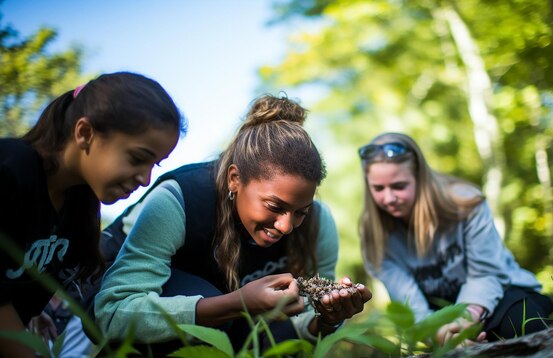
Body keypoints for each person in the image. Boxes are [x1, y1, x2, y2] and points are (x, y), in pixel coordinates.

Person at [94, 94, 372, 355]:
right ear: (234, 179)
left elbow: (298, 328)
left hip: (235, 322)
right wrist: (235, 304)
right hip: (112, 297)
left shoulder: (318, 225)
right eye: (275, 207)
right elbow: (112, 312)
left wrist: (326, 320)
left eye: (301, 212)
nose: (287, 226)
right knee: (217, 309)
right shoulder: (179, 200)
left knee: (267, 332)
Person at [0, 71, 184, 357]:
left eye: (154, 166)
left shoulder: (80, 206)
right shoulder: (11, 169)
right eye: (138, 158)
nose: (146, 180)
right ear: (85, 133)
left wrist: (29, 309)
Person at [358, 132, 553, 347]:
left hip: (499, 296)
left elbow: (487, 272)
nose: (389, 198)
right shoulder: (373, 236)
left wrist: (466, 320)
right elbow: (410, 304)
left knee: (523, 329)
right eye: (378, 188)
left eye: (399, 186)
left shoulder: (466, 203)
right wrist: (438, 334)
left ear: (419, 178)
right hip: (440, 318)